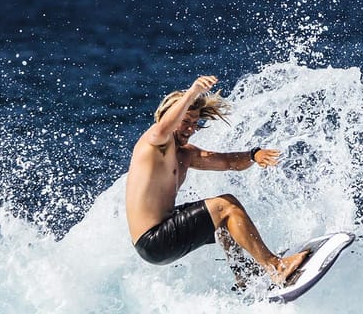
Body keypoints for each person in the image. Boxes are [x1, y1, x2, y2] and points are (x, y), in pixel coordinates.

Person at [125, 75, 307, 287]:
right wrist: (192, 92)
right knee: (225, 206)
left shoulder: (184, 153)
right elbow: (164, 128)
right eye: (185, 122)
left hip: (162, 231)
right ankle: (276, 268)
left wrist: (253, 155)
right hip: (153, 241)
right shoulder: (154, 142)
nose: (191, 129)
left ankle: (244, 274)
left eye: (195, 123)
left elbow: (226, 161)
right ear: (170, 117)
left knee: (223, 220)